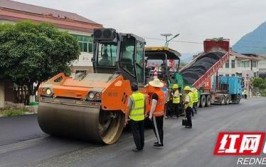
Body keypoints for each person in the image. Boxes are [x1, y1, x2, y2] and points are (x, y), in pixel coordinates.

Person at [125, 83, 146, 152]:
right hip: (141, 117)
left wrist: (126, 118)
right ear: (137, 88)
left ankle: (138, 147)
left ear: (131, 89)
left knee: (136, 133)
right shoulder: (143, 96)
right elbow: (145, 105)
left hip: (134, 118)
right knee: (141, 132)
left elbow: (128, 108)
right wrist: (144, 113)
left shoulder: (131, 97)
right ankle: (142, 145)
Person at [148, 77, 165, 147]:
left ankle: (160, 142)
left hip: (156, 114)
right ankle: (160, 140)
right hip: (161, 113)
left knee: (156, 129)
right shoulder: (162, 93)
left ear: (154, 86)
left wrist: (150, 114)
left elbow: (153, 105)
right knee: (160, 128)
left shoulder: (155, 94)